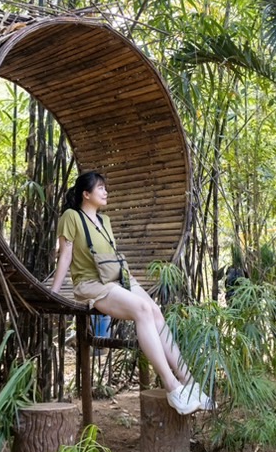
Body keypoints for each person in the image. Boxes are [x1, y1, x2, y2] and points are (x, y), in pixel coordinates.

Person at [46, 171, 213, 415]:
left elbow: (110, 257)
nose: (105, 192)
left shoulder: (105, 221)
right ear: (86, 194)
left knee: (155, 312)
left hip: (119, 277)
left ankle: (189, 382)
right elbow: (66, 255)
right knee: (143, 310)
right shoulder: (71, 216)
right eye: (100, 188)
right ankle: (172, 386)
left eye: (105, 187)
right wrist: (54, 291)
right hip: (92, 283)